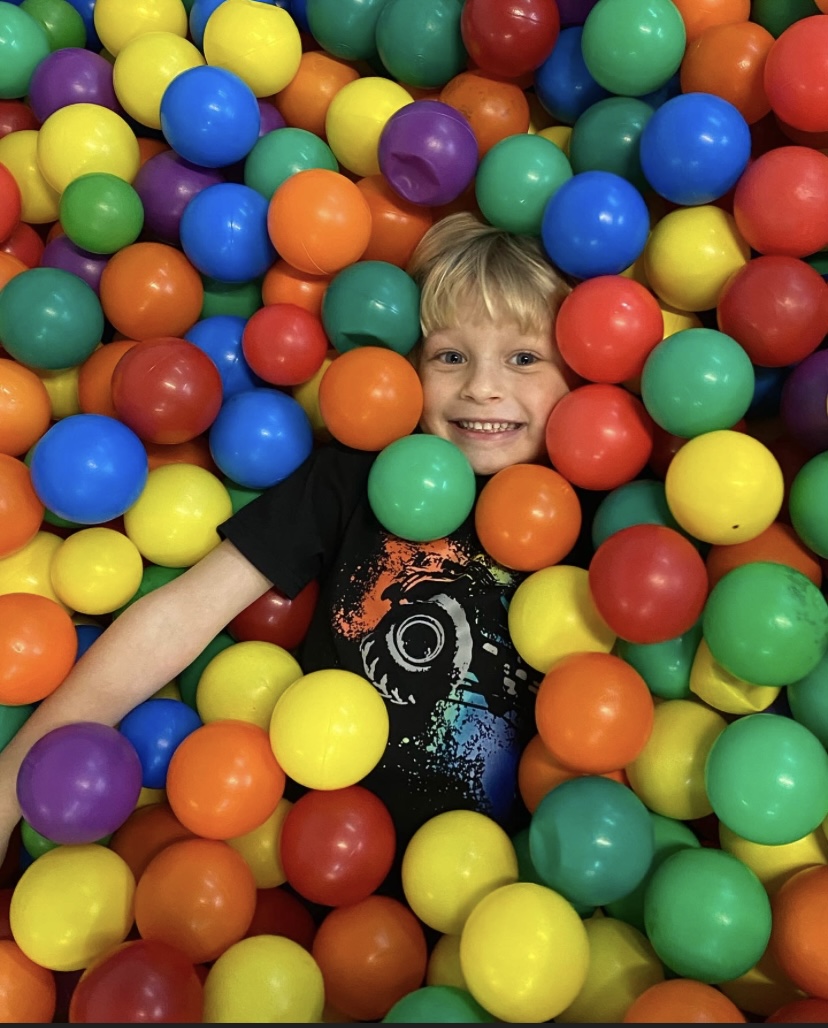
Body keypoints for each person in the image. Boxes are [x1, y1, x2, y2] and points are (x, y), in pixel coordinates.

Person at [0, 211, 584, 873]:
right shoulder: (351, 479)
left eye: (524, 358)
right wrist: (10, 784)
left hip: (512, 889)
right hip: (314, 865)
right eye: (450, 356)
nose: (482, 387)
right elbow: (180, 615)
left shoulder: (595, 525)